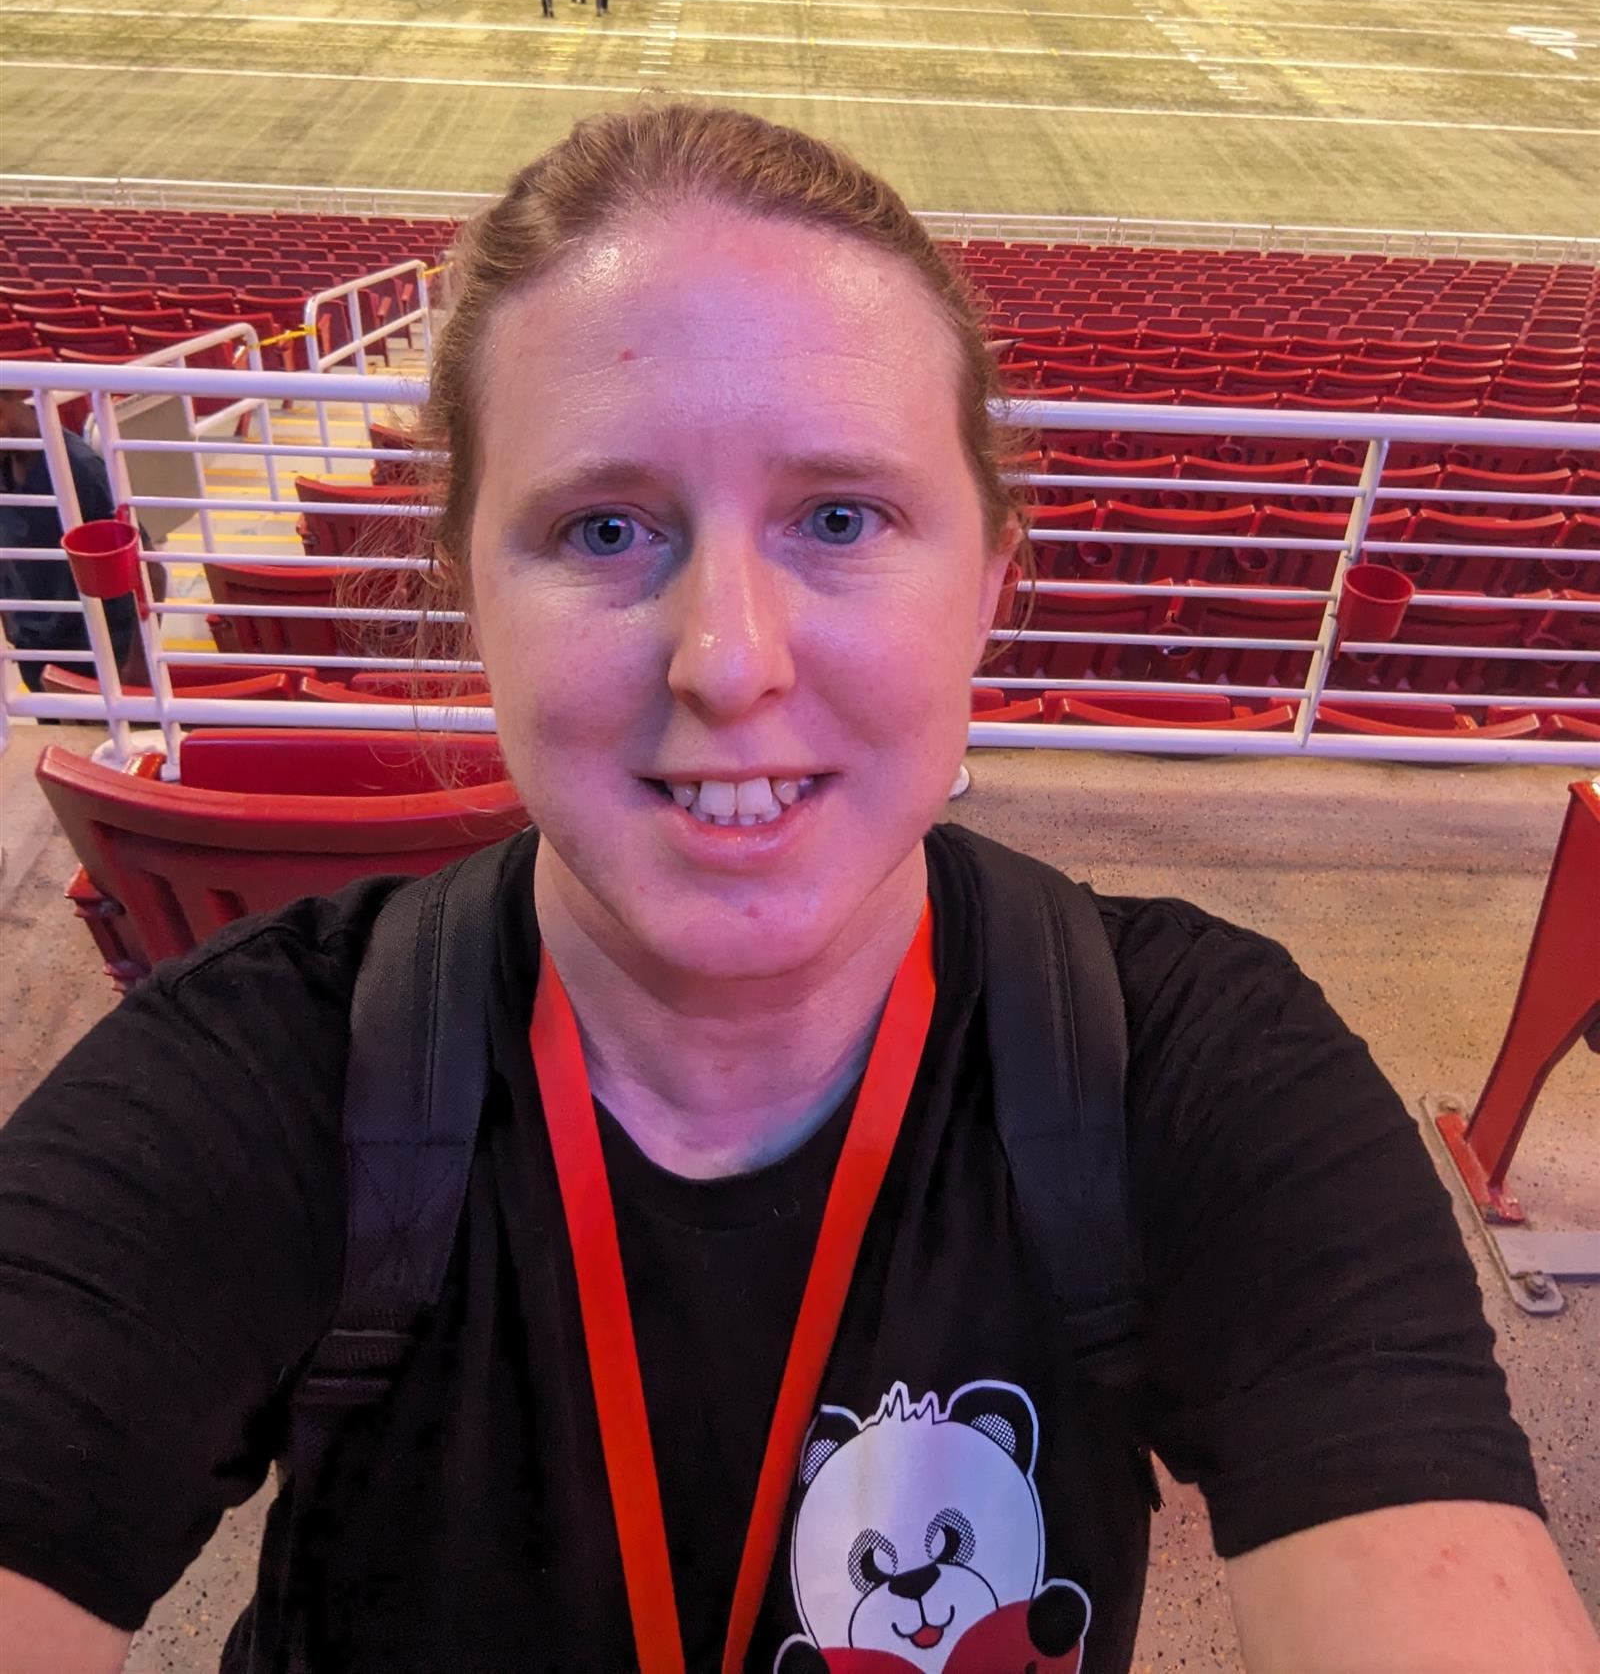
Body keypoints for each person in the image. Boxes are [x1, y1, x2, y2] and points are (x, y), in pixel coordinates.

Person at [2, 103, 1595, 1674]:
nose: (728, 659)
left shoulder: (1204, 1073)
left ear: (991, 584)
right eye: (604, 528)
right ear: (465, 592)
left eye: (840, 517)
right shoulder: (250, 1085)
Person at [0, 388, 145, 690]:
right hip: (34, 648)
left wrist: (137, 669)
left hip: (95, 653)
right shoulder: (7, 459)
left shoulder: (78, 469)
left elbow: (148, 571)